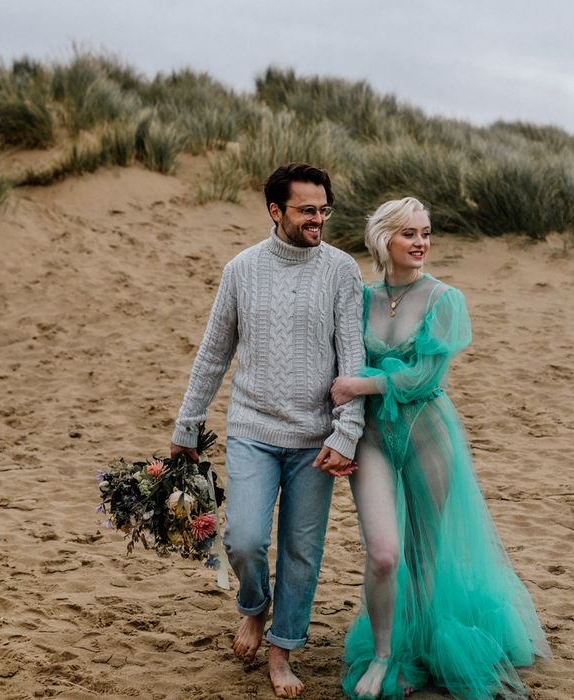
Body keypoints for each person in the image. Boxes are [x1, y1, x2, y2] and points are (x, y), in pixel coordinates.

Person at [331, 197, 551, 699]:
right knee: (384, 553)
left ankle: (426, 651)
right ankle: (386, 654)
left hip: (427, 432)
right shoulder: (361, 298)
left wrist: (357, 386)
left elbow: (423, 375)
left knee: (426, 554)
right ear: (383, 238)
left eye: (426, 233)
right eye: (409, 233)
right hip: (372, 439)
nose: (421, 243)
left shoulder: (443, 298)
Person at [171, 163, 365, 698]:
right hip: (252, 428)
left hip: (316, 442)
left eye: (324, 209)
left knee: (301, 554)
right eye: (307, 210)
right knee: (246, 539)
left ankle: (282, 649)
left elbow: (354, 361)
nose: (318, 219)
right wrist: (187, 425)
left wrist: (345, 434)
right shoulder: (241, 269)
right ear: (275, 211)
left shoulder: (343, 271)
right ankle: (254, 608)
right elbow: (213, 353)